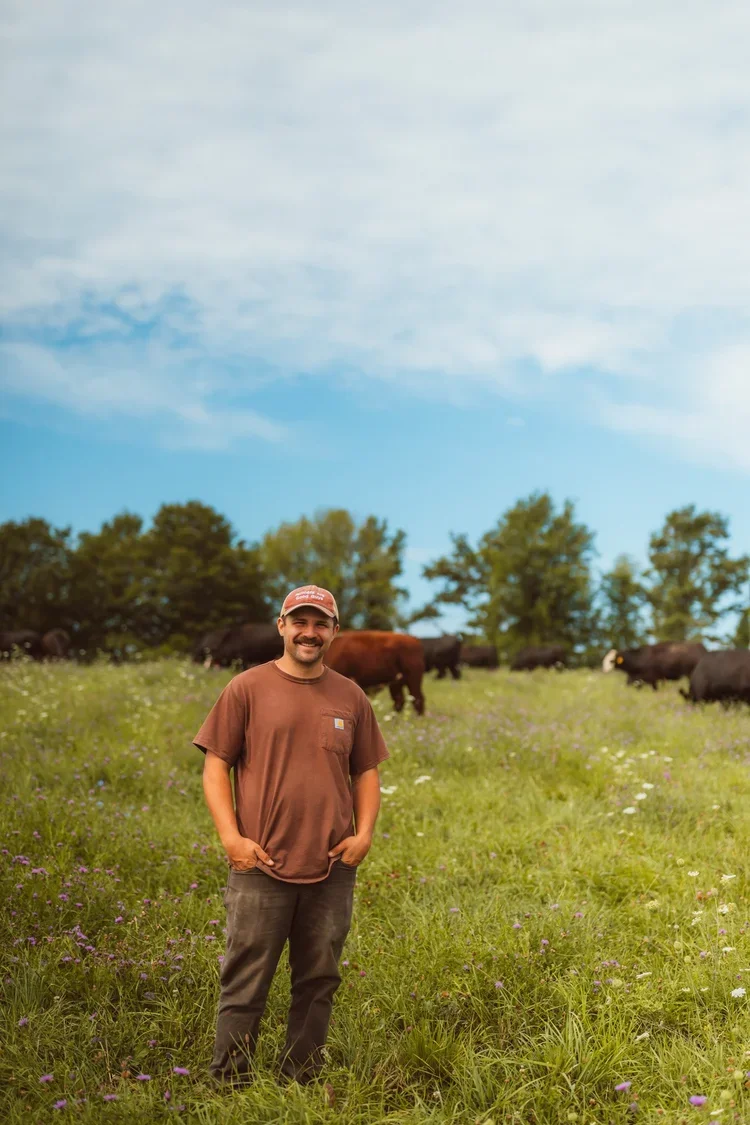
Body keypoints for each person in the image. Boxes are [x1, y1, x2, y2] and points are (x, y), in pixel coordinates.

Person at [194, 585, 388, 1087]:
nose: (309, 632)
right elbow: (216, 766)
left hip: (332, 865)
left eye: (320, 623)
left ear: (333, 632)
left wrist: (364, 834)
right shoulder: (246, 688)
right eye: (299, 622)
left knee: (319, 978)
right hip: (260, 862)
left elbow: (366, 771)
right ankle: (229, 1082)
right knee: (245, 978)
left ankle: (299, 1078)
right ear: (281, 625)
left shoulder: (351, 695)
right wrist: (231, 839)